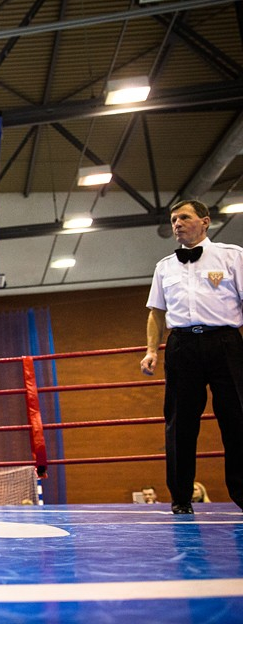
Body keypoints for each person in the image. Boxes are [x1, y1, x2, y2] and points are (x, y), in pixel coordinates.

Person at [140, 199, 243, 515]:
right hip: (182, 346)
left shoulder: (232, 257)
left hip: (225, 342)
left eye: (184, 217)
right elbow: (156, 313)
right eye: (173, 219)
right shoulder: (164, 266)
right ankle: (181, 497)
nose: (177, 224)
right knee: (179, 423)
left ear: (205, 221)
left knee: (238, 419)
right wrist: (150, 351)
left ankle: (246, 493)